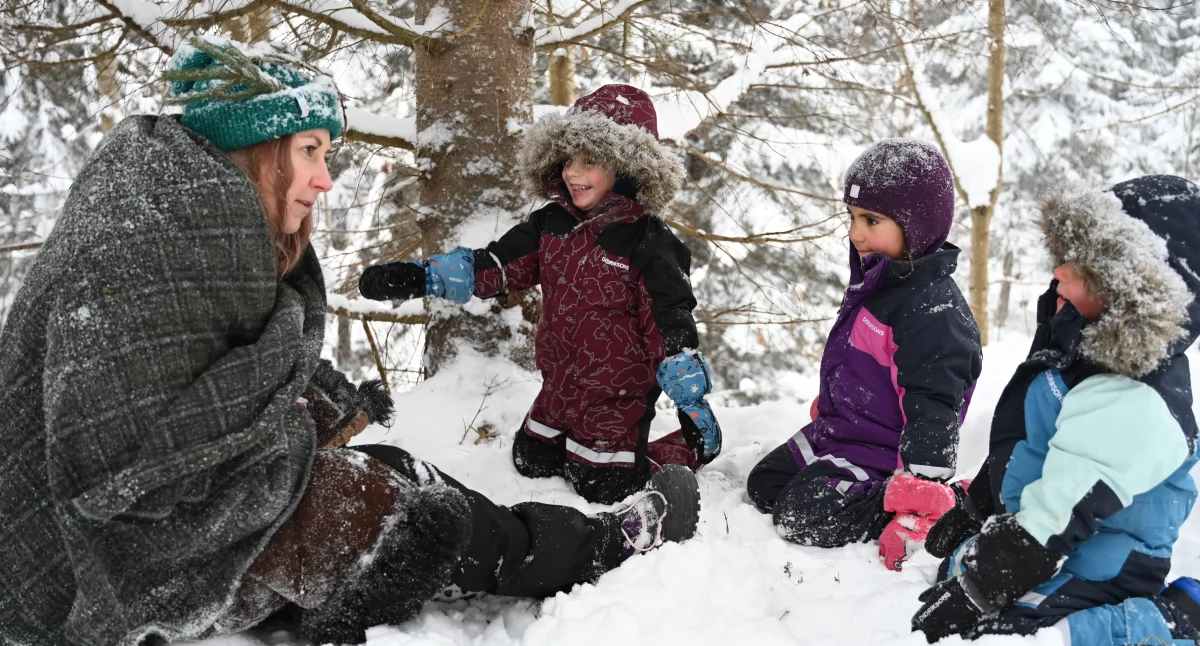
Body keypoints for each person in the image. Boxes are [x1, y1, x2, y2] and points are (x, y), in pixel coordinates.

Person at [0, 39, 700, 646]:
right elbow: (118, 460)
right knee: (400, 508)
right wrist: (424, 284)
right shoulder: (179, 235)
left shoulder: (170, 208)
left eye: (326, 153)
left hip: (106, 540)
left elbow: (191, 381)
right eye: (309, 151)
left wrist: (683, 371)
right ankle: (603, 545)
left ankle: (587, 513)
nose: (324, 178)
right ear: (257, 147)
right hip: (122, 564)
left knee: (392, 467)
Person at [359, 84, 722, 505]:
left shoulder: (650, 243)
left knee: (602, 486)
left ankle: (685, 448)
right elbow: (497, 265)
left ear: (628, 167)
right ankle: (568, 440)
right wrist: (420, 277)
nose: (573, 173)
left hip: (615, 397)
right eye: (568, 159)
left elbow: (669, 318)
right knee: (530, 460)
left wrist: (688, 395)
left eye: (590, 161)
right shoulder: (551, 223)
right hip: (559, 385)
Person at [911, 175, 1200, 645]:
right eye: (1064, 254)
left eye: (1083, 265)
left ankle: (1171, 623)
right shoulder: (1075, 340)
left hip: (1108, 557)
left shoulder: (1135, 394)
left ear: (1132, 291)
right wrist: (976, 508)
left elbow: (1059, 515)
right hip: (1054, 530)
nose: (1059, 271)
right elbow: (1026, 441)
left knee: (1009, 634)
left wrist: (978, 591)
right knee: (959, 571)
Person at [745, 139, 983, 571]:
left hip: (883, 457)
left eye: (871, 220)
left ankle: (931, 505)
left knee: (801, 514)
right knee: (765, 485)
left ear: (915, 226)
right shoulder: (880, 281)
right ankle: (837, 480)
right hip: (841, 431)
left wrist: (920, 491)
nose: (855, 234)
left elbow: (935, 412)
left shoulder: (934, 315)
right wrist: (837, 398)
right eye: (853, 218)